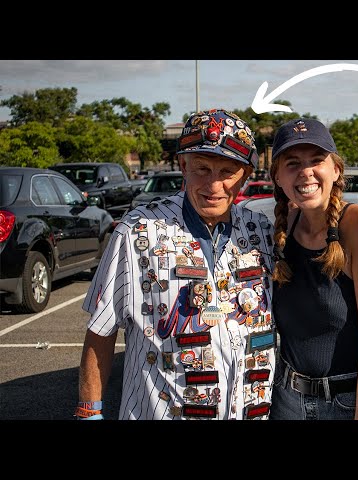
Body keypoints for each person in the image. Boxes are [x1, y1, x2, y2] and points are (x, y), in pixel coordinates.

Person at [76, 109, 277, 420]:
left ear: (246, 175)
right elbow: (101, 330)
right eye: (202, 169)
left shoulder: (261, 232)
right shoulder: (137, 231)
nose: (214, 185)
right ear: (183, 166)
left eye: (227, 171)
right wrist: (89, 412)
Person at [268, 118, 358, 420]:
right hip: (288, 402)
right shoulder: (284, 227)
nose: (306, 172)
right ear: (276, 176)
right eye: (293, 163)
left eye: (317, 160)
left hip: (351, 404)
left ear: (336, 169)